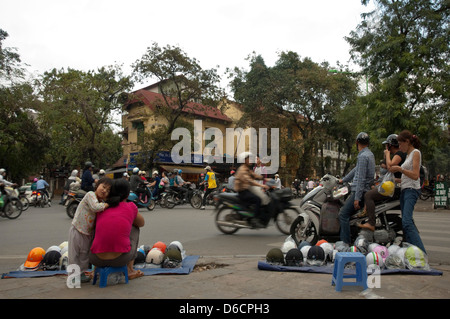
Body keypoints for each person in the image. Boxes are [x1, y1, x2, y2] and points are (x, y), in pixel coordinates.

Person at [89, 178, 145, 280]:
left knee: (98, 228)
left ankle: (94, 270)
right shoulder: (130, 206)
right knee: (135, 227)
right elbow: (142, 223)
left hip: (95, 259)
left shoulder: (102, 207)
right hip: (120, 259)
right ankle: (130, 270)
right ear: (127, 195)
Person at [68, 177, 113, 282]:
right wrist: (108, 204)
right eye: (103, 187)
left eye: (108, 191)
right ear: (97, 185)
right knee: (73, 255)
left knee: (84, 255)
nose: (104, 191)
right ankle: (73, 276)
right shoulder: (90, 195)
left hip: (88, 233)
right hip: (77, 229)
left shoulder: (101, 201)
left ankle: (82, 274)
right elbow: (95, 207)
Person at [390, 130, 426, 253]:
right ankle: (412, 251)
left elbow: (415, 175)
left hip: (411, 190)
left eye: (400, 144)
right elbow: (407, 176)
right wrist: (395, 180)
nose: (399, 147)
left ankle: (421, 253)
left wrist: (400, 169)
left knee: (407, 221)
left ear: (407, 142)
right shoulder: (408, 155)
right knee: (405, 224)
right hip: (405, 189)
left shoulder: (416, 153)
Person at [360, 134, 406, 231]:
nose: (386, 147)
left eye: (387, 145)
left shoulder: (399, 154)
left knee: (368, 195)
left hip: (394, 189)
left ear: (390, 145)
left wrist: (387, 154)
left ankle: (371, 222)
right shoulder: (398, 155)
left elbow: (390, 167)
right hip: (393, 187)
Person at [338, 132, 375, 245]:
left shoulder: (363, 156)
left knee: (343, 214)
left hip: (361, 191)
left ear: (357, 142)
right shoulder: (369, 154)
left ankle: (345, 243)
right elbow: (356, 170)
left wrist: (357, 198)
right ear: (368, 143)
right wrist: (343, 180)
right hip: (366, 190)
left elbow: (361, 179)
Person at [234, 152, 270, 227]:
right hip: (243, 191)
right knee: (258, 200)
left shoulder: (247, 168)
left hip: (249, 189)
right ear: (245, 160)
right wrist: (262, 185)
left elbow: (254, 175)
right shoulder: (242, 170)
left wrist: (265, 179)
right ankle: (253, 219)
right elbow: (250, 181)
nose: (250, 160)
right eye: (248, 159)